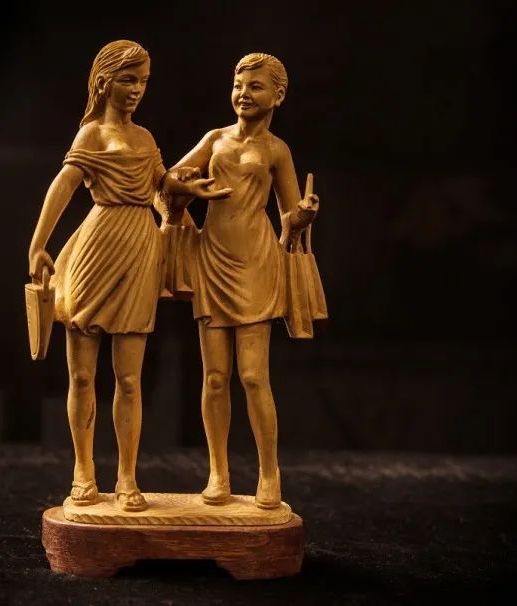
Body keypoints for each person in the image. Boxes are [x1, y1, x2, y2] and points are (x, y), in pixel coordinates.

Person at [27, 40, 229, 511]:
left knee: (131, 379)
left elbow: (160, 185)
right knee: (82, 377)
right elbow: (63, 186)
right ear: (103, 82)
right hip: (96, 249)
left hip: (140, 250)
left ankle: (126, 477)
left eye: (143, 81)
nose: (137, 89)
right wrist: (38, 244)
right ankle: (83, 472)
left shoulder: (144, 136)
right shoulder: (91, 135)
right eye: (127, 79)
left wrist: (182, 185)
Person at [168, 53, 321, 509]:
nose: (243, 94)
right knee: (215, 377)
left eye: (255, 86)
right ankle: (218, 472)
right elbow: (169, 179)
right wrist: (187, 186)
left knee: (253, 376)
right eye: (238, 85)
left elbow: (288, 215)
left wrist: (304, 215)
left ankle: (269, 472)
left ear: (278, 95)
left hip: (256, 262)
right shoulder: (215, 139)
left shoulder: (276, 150)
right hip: (212, 259)